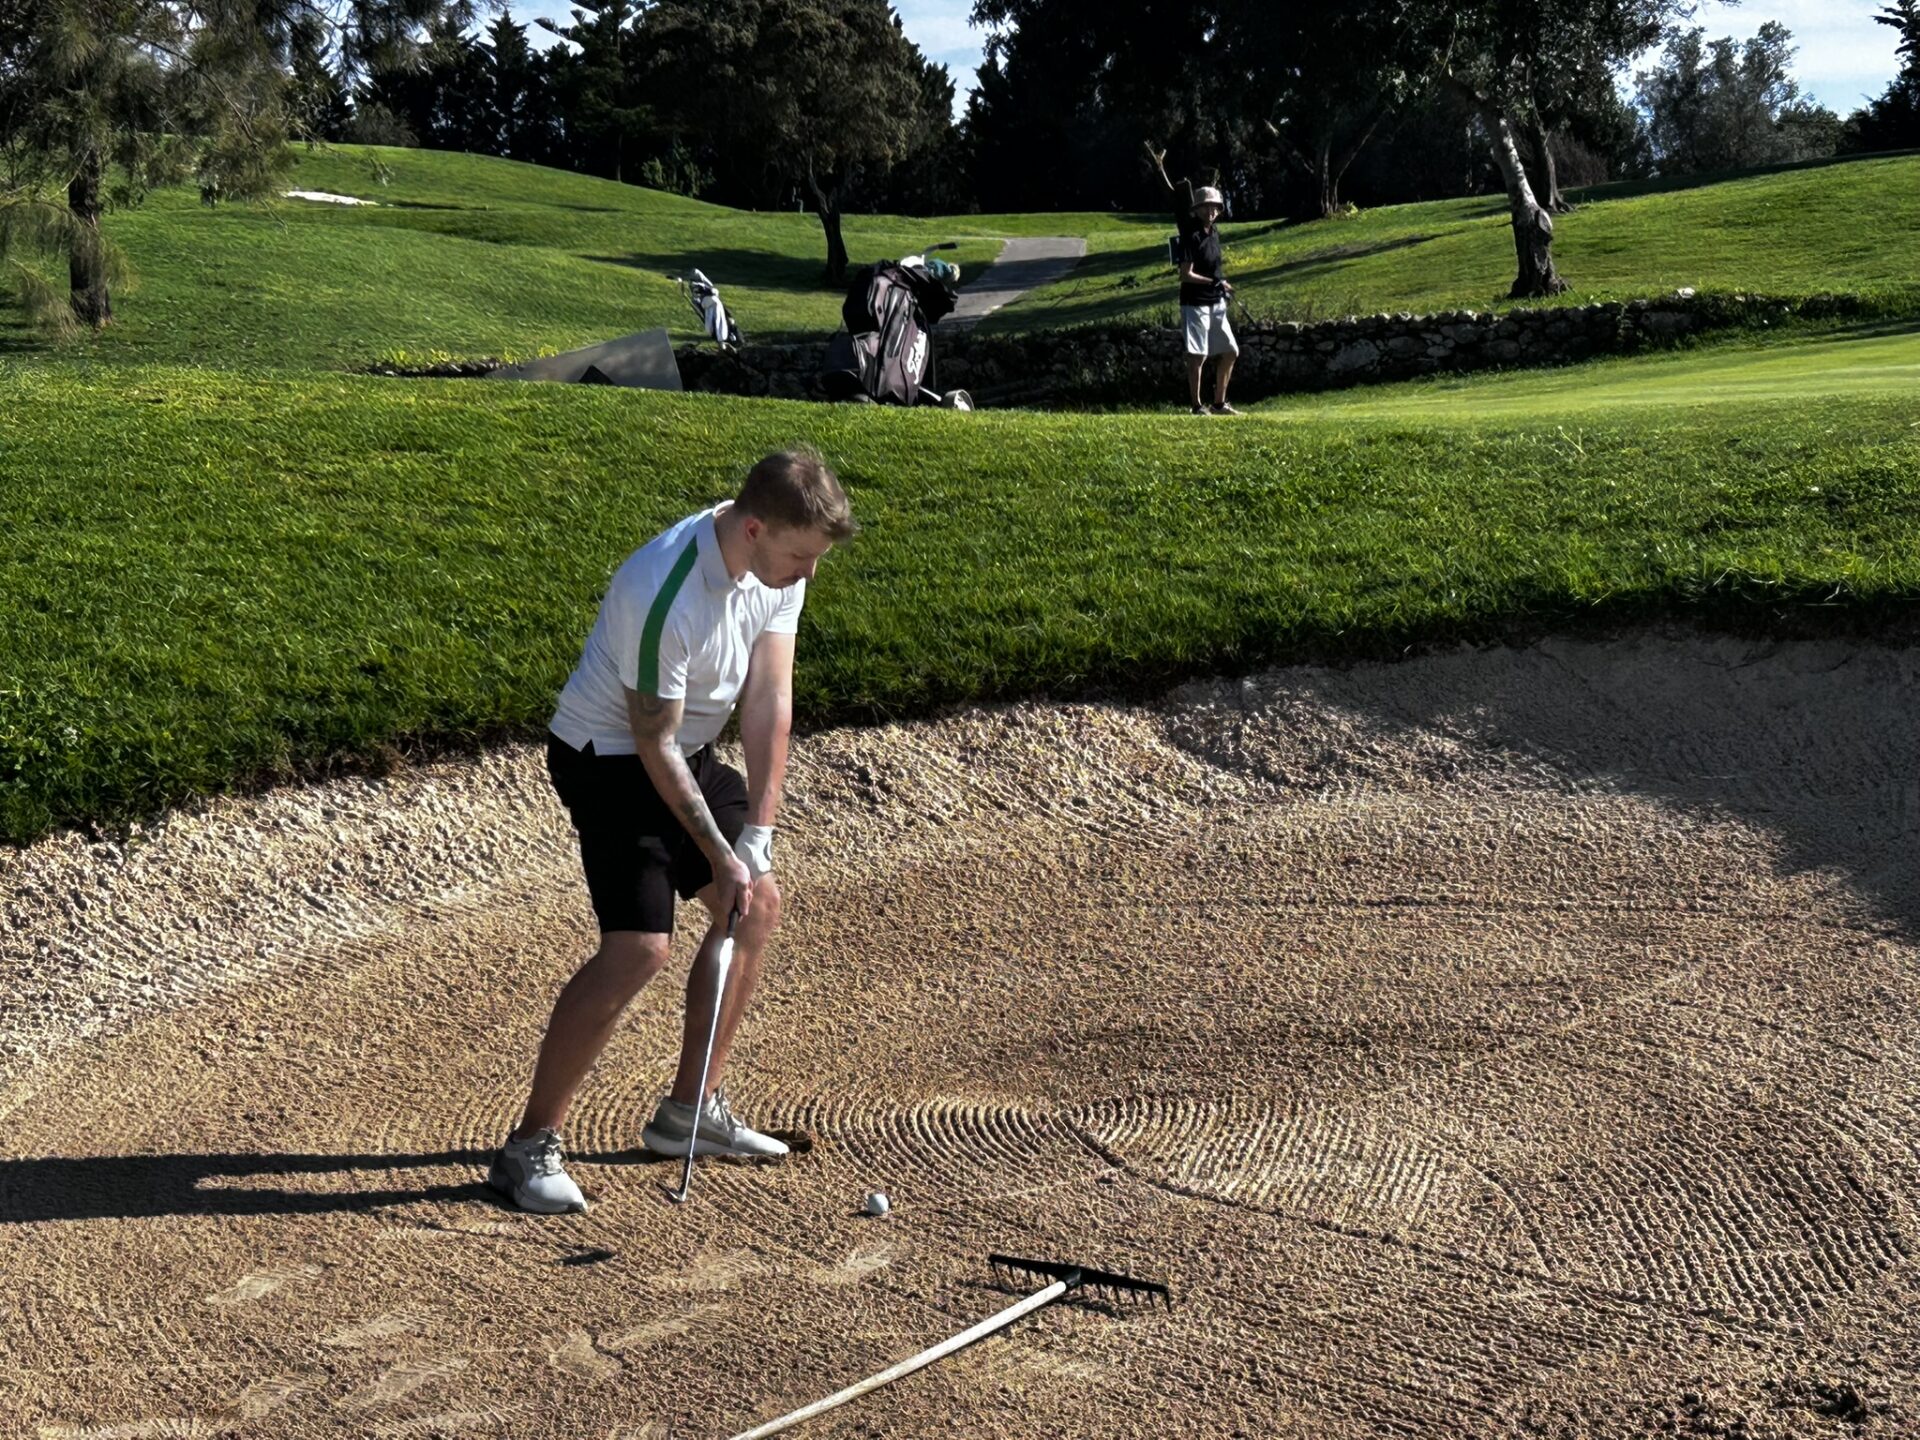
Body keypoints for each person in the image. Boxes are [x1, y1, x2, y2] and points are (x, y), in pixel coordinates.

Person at [488, 449, 857, 1214]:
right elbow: (649, 740)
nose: (810, 573)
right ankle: (528, 1147)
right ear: (754, 529)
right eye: (801, 556)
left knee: (755, 904)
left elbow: (769, 700)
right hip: (608, 758)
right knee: (639, 948)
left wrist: (756, 837)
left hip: (686, 752)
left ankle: (691, 1111)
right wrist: (719, 854)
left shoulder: (776, 571)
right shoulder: (662, 588)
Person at [1145, 142, 1240, 416]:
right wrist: (1214, 283)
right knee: (1198, 355)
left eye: (1215, 207)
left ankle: (1219, 404)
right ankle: (1197, 406)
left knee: (1230, 351)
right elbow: (1185, 275)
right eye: (1206, 207)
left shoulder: (1214, 233)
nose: (1211, 211)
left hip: (1216, 301)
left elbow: (1213, 269)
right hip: (1195, 303)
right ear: (1197, 209)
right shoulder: (1191, 235)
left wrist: (1222, 283)